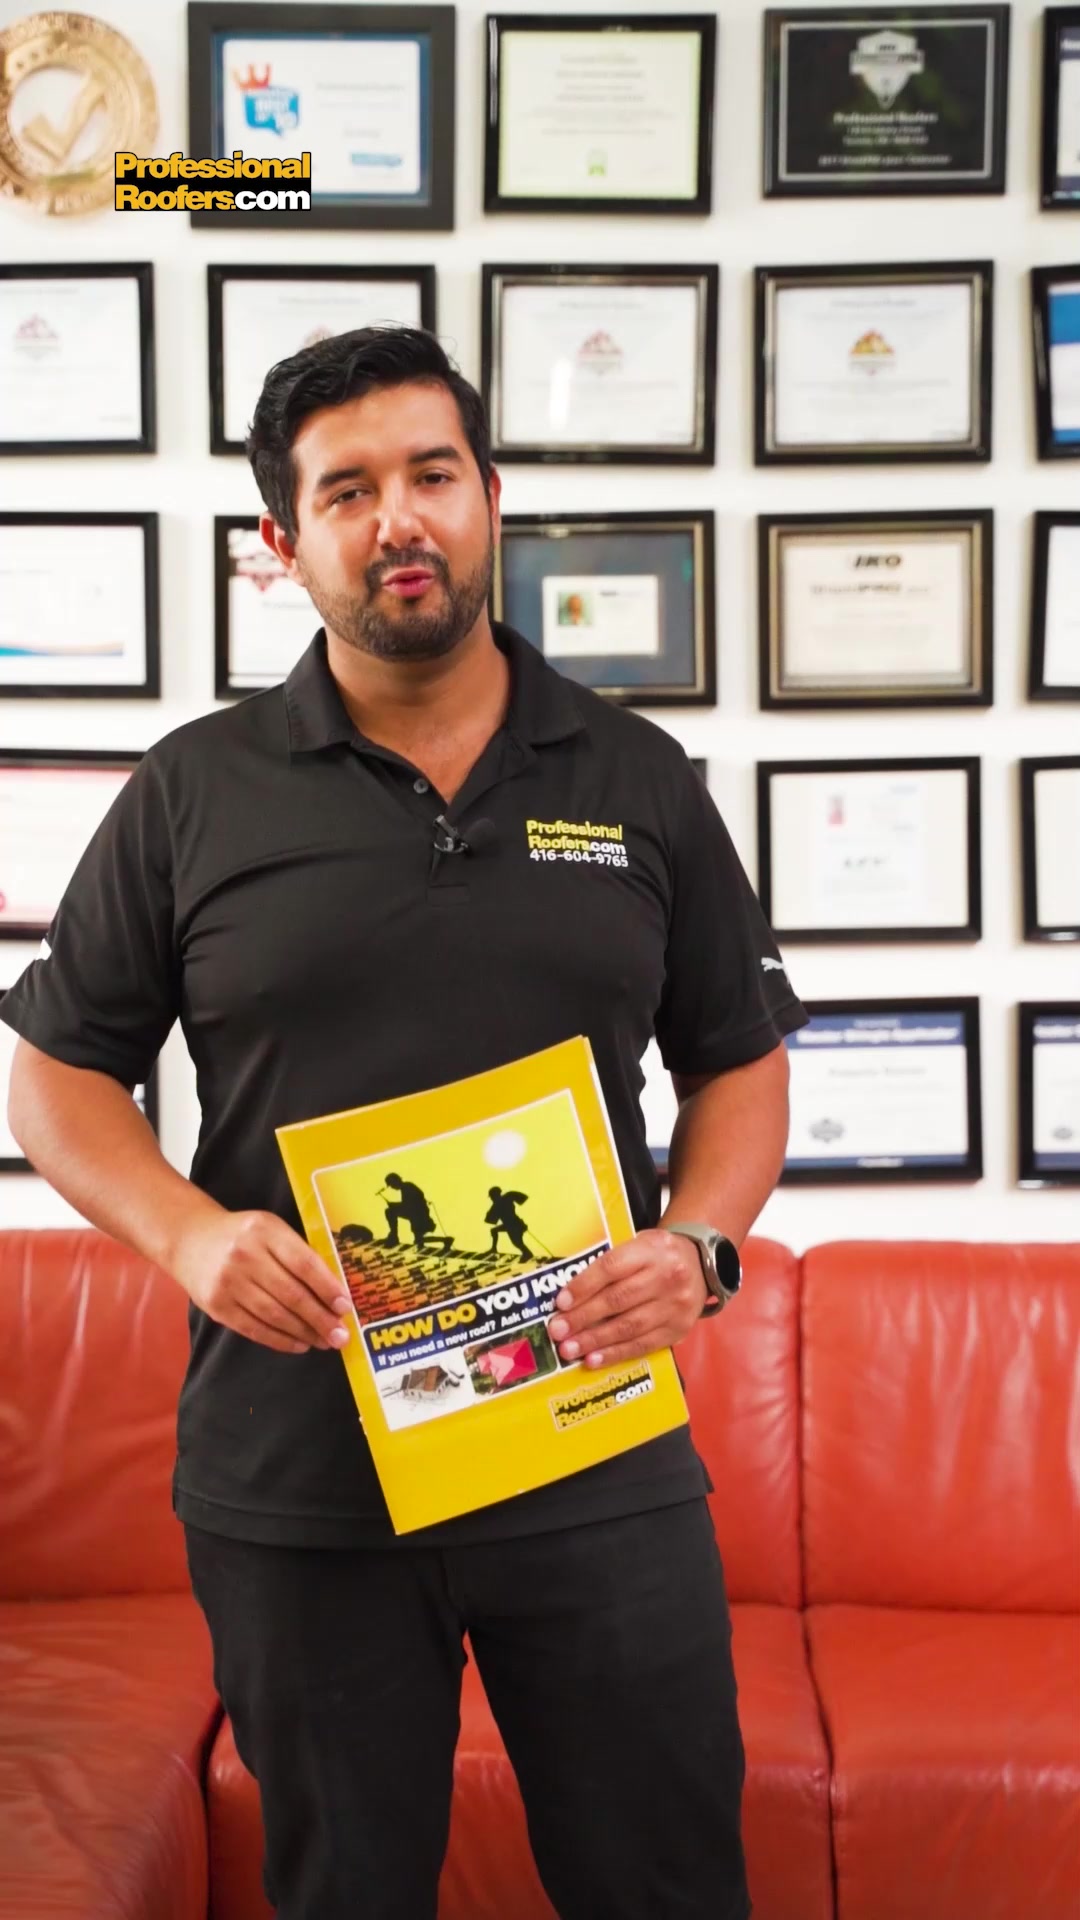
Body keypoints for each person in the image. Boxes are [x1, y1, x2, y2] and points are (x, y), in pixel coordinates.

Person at [3, 325, 807, 1920]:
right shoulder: (193, 791)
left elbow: (740, 1060)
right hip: (299, 1472)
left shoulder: (637, 776)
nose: (399, 520)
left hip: (590, 1444)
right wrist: (191, 1237)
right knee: (343, 1893)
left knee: (667, 1886)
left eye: (433, 474)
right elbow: (56, 1074)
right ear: (283, 541)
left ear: (490, 496)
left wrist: (702, 1246)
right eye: (347, 490)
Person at [484, 1183, 533, 1258]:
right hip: (511, 1225)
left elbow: (490, 1220)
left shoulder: (499, 1203)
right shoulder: (506, 1198)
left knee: (518, 1243)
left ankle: (528, 1254)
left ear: (495, 1195)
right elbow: (490, 1220)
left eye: (492, 1197)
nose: (491, 1199)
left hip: (514, 1225)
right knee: (494, 1231)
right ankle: (494, 1248)